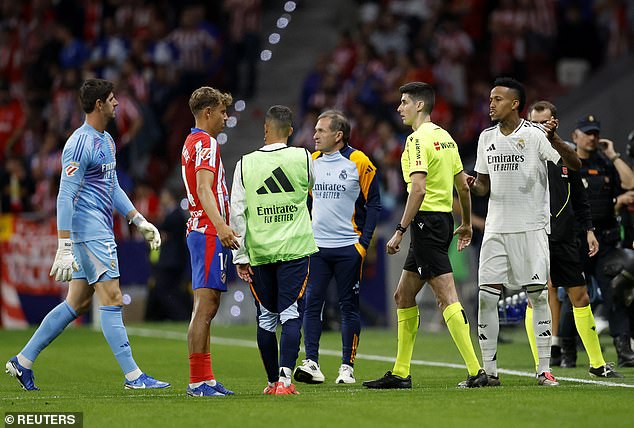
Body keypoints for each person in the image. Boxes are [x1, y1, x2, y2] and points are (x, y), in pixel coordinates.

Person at [5, 78, 169, 391]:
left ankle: (23, 361)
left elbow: (113, 187)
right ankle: (134, 377)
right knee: (113, 297)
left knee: (77, 303)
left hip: (99, 228)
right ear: (99, 105)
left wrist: (138, 219)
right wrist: (63, 245)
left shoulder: (106, 140)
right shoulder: (79, 143)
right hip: (89, 232)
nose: (117, 104)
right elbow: (64, 195)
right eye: (112, 99)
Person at [362, 82, 488, 390]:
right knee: (403, 296)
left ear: (420, 105)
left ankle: (476, 371)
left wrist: (399, 231)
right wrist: (467, 223)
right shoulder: (445, 138)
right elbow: (462, 185)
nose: (399, 107)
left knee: (446, 295)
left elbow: (418, 188)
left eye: (404, 102)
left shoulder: (416, 140)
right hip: (441, 220)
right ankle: (401, 372)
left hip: (424, 223)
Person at [467, 77, 581, 387]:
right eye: (490, 98)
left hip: (531, 229)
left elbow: (574, 163)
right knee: (487, 298)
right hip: (495, 229)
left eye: (498, 99)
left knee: (538, 297)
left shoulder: (535, 135)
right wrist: (470, 184)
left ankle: (544, 369)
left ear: (515, 104)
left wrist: (556, 139)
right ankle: (489, 372)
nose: (491, 104)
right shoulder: (485, 137)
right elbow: (483, 186)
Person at [525, 100, 622, 378]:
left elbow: (580, 198)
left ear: (554, 122)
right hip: (535, 236)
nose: (538, 128)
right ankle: (540, 367)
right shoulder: (524, 153)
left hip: (566, 236)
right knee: (537, 298)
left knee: (580, 296)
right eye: (533, 123)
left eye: (544, 122)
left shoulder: (567, 154)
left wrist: (589, 229)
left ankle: (597, 363)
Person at [231, 105, 317, 395]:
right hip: (294, 249)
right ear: (290, 131)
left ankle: (271, 382)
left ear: (265, 129)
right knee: (291, 314)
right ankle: (285, 380)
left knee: (266, 317)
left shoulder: (245, 163)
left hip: (259, 252)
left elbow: (237, 213)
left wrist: (239, 256)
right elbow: (313, 190)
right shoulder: (304, 157)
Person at [293, 110, 381, 385]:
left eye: (321, 130)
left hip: (347, 248)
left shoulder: (359, 161)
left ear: (338, 135)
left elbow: (374, 204)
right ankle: (312, 363)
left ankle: (347, 367)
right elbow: (306, 201)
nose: (315, 135)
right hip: (317, 248)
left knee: (348, 308)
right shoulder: (311, 162)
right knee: (311, 304)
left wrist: (363, 245)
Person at [181, 86, 238, 397]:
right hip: (207, 231)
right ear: (208, 113)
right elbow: (204, 190)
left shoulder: (191, 142)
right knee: (205, 308)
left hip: (200, 230)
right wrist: (222, 226)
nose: (226, 117)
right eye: (222, 111)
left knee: (205, 306)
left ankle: (205, 378)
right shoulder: (206, 143)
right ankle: (197, 381)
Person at [571, 113, 634, 368]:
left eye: (595, 132)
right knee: (575, 296)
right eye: (587, 132)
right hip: (576, 241)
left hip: (605, 241)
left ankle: (624, 349)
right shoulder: (569, 163)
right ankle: (565, 348)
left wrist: (614, 155)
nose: (592, 137)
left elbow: (630, 185)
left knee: (616, 293)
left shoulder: (605, 164)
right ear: (575, 136)